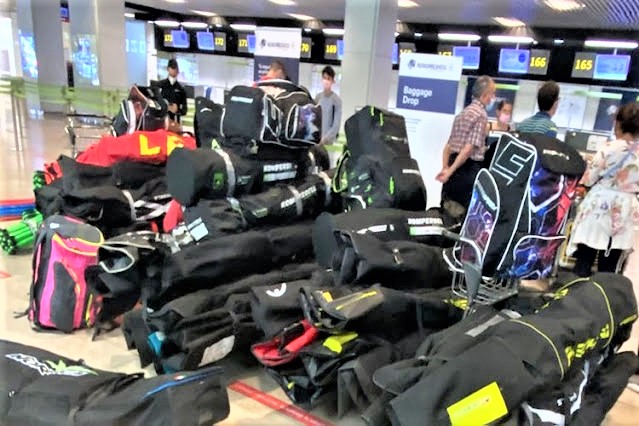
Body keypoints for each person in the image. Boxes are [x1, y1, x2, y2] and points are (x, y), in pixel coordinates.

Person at [567, 102, 639, 278]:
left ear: (619, 123)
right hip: (625, 210)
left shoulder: (609, 148)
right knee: (611, 266)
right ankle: (605, 292)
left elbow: (589, 178)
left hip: (599, 206)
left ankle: (578, 291)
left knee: (585, 258)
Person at [436, 75, 496, 209]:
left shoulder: (462, 114)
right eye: (492, 94)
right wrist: (449, 172)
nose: (493, 98)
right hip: (467, 172)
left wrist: (446, 168)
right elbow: (468, 150)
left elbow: (448, 147)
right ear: (485, 95)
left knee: (447, 211)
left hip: (452, 172)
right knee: (462, 214)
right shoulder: (481, 115)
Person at [314, 66, 342, 145]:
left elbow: (336, 125)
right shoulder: (318, 98)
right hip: (316, 140)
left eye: (328, 78)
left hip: (329, 142)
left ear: (333, 81)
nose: (326, 81)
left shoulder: (336, 100)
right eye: (324, 78)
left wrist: (325, 138)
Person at [158, 58, 187, 123]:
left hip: (175, 121)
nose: (174, 71)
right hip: (162, 120)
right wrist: (166, 107)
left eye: (175, 68)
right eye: (172, 68)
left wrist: (177, 110)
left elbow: (184, 110)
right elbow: (155, 104)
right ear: (168, 69)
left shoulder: (181, 89)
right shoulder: (160, 85)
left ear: (178, 71)